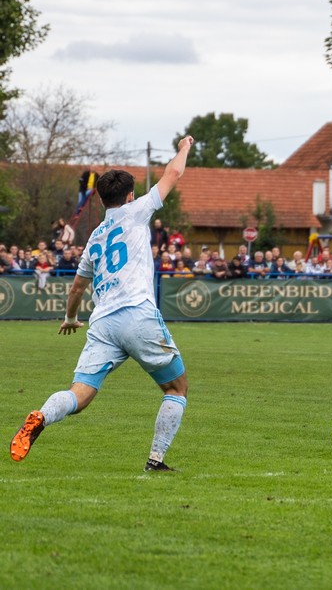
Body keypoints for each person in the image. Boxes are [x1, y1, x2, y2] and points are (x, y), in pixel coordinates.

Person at [10, 136, 195, 472]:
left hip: (103, 323)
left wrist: (70, 318)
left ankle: (42, 416)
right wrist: (183, 148)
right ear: (128, 196)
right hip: (137, 314)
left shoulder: (94, 236)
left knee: (79, 394)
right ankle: (156, 460)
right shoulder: (138, 211)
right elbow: (173, 175)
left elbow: (78, 286)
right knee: (176, 387)